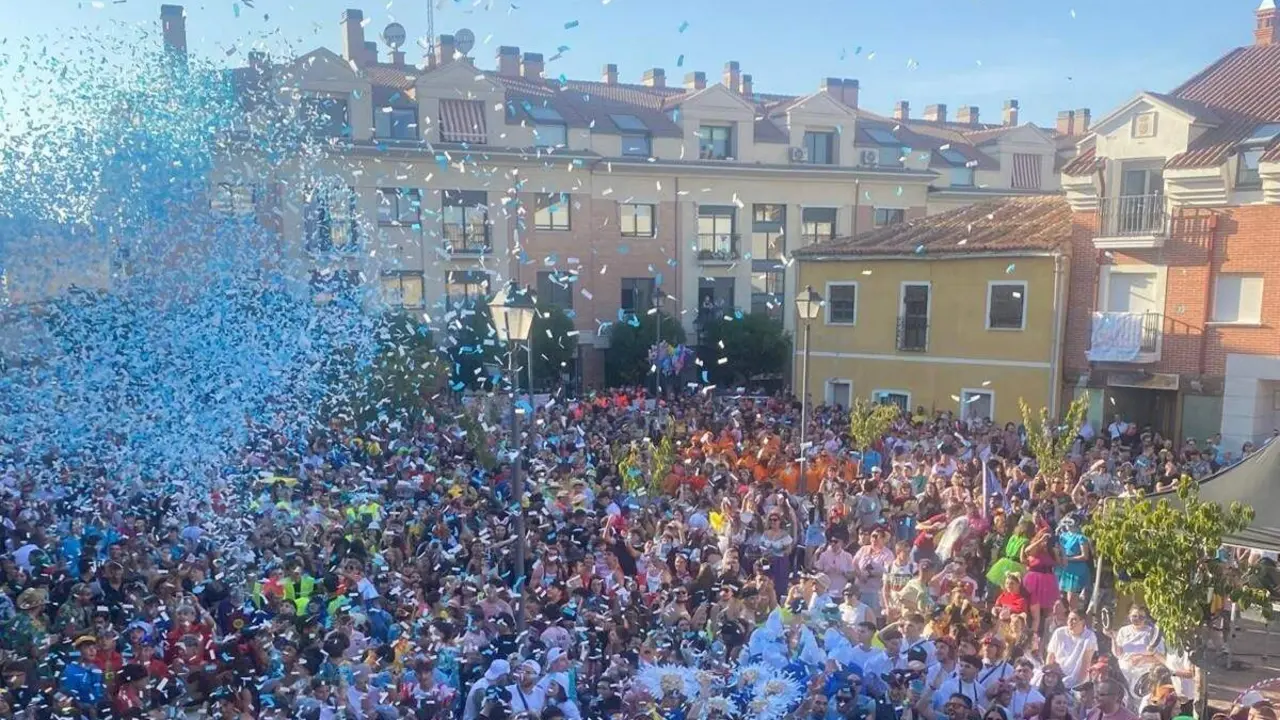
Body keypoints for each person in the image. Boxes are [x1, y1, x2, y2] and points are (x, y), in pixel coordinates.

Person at [1045, 611, 1097, 690]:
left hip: (1077, 680)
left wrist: (1077, 686)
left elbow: (1086, 663)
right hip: (1057, 676)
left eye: (1074, 619)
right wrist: (1049, 676)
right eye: (1069, 619)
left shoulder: (1090, 636)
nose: (1070, 622)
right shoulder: (1059, 632)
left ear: (1082, 622)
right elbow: (1050, 656)